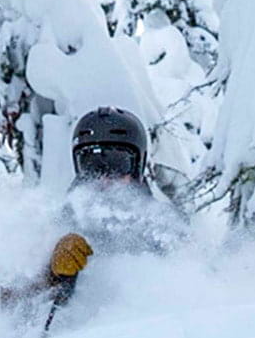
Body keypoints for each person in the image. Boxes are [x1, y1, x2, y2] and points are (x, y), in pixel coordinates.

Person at [13, 108, 187, 322]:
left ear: (137, 165)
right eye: (92, 165)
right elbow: (13, 306)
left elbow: (196, 286)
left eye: (117, 163)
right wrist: (52, 273)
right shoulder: (61, 223)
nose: (104, 178)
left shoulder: (162, 225)